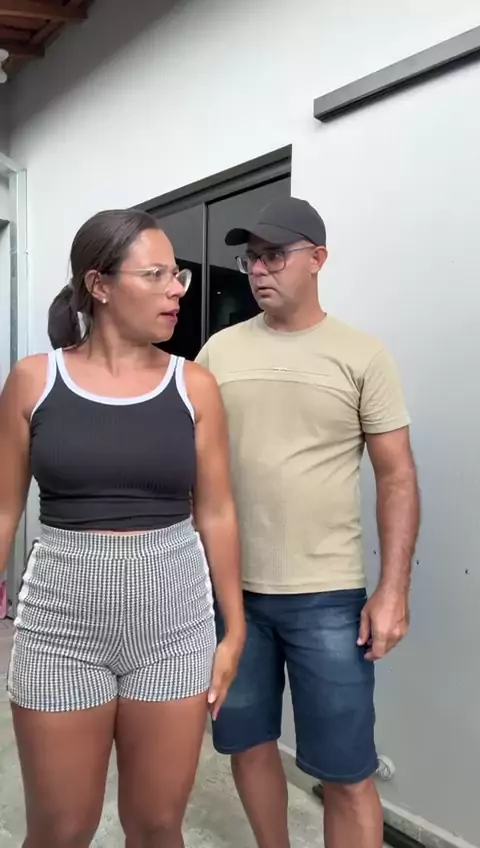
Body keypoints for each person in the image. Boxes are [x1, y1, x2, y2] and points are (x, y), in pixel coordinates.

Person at [0, 208, 245, 848]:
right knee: (61, 828)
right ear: (100, 285)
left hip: (174, 628)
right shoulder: (34, 381)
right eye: (156, 274)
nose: (176, 290)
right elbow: (4, 508)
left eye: (177, 275)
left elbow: (217, 510)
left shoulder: (194, 386)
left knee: (157, 825)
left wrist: (235, 627)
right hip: (59, 629)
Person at [195, 196, 420, 848]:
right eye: (251, 259)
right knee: (246, 744)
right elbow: (190, 464)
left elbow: (397, 476)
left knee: (346, 771)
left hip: (328, 597)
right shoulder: (218, 352)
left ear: (318, 259)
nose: (259, 270)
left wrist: (394, 590)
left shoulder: (362, 356)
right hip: (230, 593)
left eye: (275, 255)